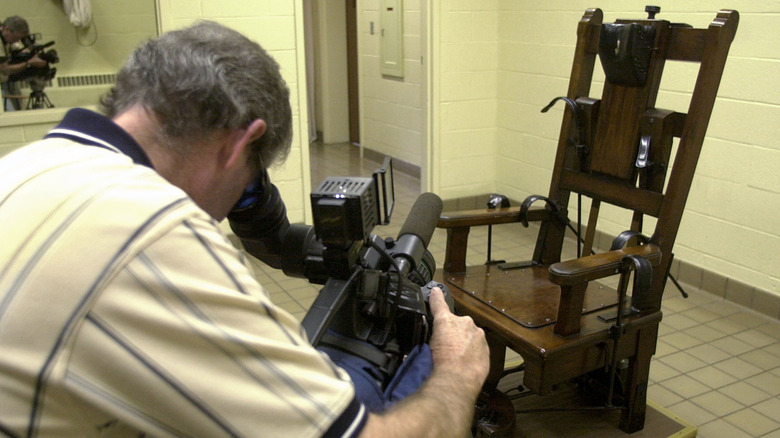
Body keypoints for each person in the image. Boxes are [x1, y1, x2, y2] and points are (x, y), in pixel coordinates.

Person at [0, 20, 489, 437]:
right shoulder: (155, 234)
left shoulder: (27, 165)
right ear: (243, 142)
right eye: (247, 183)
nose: (229, 211)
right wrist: (457, 372)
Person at [1, 15, 47, 111]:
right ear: (7, 30)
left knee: (17, 110)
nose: (17, 41)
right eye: (17, 38)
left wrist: (34, 52)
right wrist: (30, 62)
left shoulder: (7, 38)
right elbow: (5, 70)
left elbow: (20, 50)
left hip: (6, 83)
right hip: (3, 83)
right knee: (11, 115)